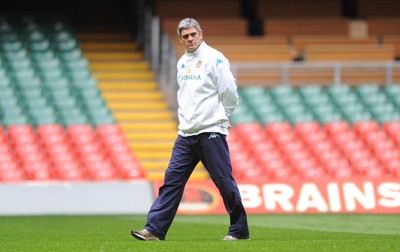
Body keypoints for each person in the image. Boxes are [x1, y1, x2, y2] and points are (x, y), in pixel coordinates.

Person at [131, 17, 250, 241]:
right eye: (185, 36)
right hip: (186, 134)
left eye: (193, 34)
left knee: (224, 181)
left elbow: (229, 91)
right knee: (172, 182)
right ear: (181, 39)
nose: (190, 39)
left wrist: (224, 115)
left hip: (210, 131)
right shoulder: (182, 62)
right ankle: (154, 229)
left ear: (201, 33)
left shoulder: (214, 59)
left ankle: (239, 230)